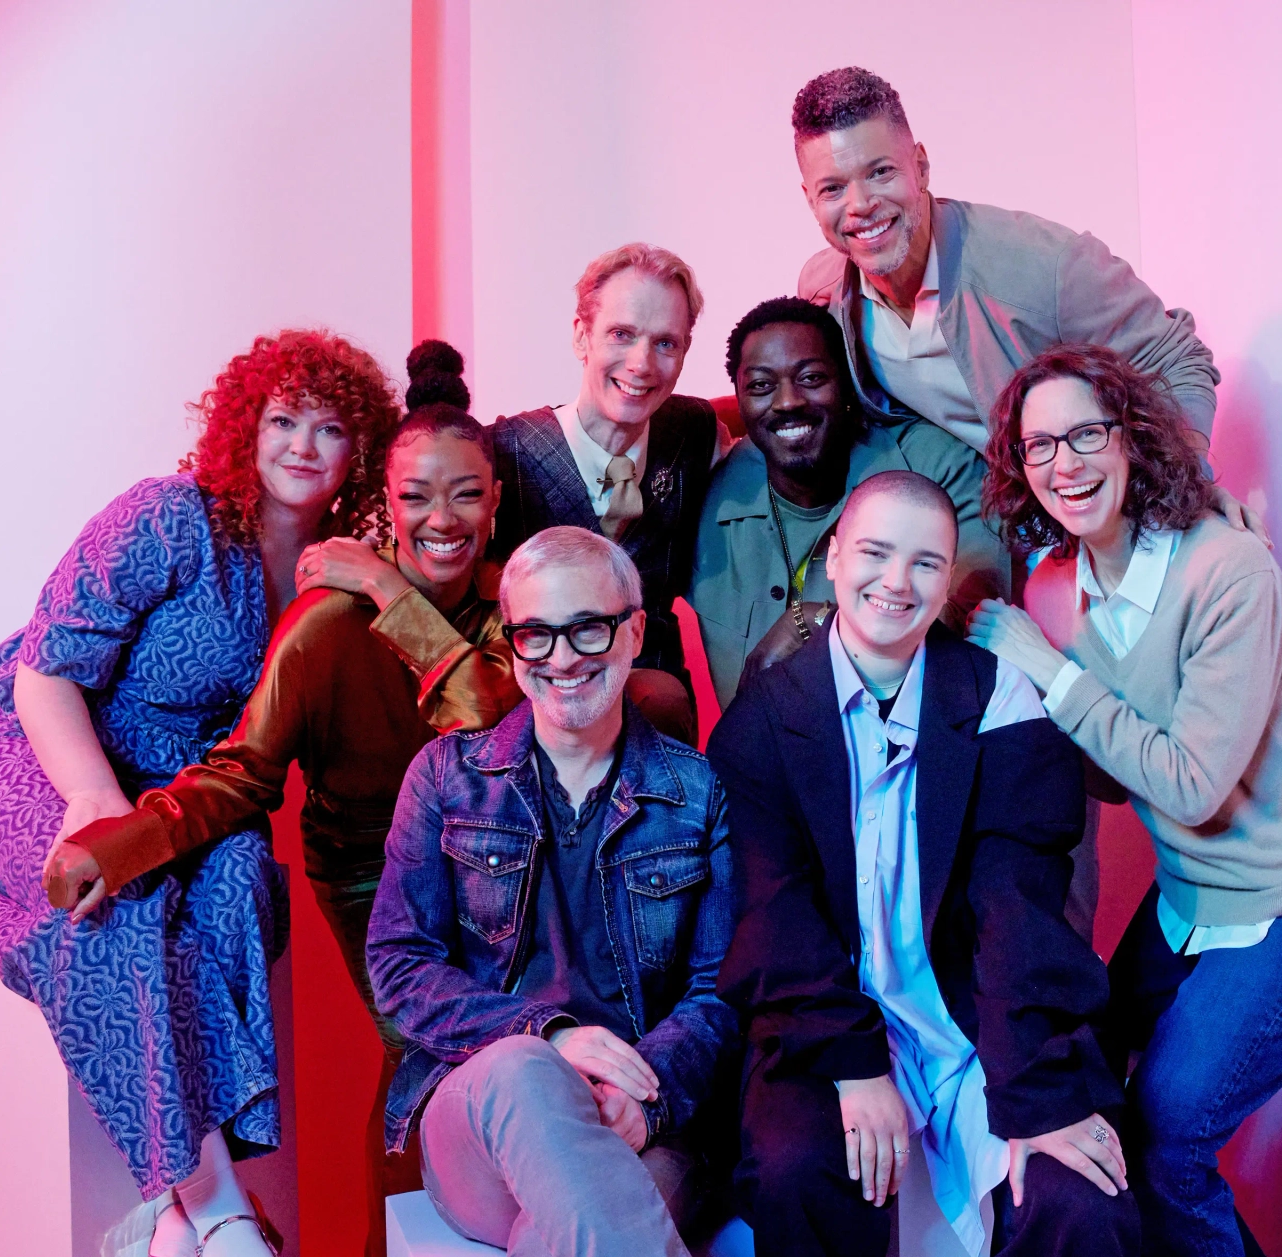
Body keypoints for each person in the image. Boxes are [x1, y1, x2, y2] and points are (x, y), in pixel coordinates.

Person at [0, 330, 402, 1257]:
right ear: (244, 427)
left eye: (331, 427)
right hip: (37, 759)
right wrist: (92, 799)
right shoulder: (168, 517)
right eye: (282, 420)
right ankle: (218, 1203)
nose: (303, 445)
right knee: (124, 892)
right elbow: (44, 674)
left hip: (184, 801)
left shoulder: (334, 577)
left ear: (362, 450)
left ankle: (173, 1223)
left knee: (238, 877)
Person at [58, 341, 517, 1257]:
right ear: (385, 502)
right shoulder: (323, 626)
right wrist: (116, 841)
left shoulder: (514, 600)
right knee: (431, 1050)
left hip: (513, 870)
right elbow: (242, 772)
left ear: (497, 501)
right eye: (416, 495)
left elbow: (491, 722)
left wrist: (390, 586)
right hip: (378, 879)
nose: (442, 516)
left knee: (522, 1058)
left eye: (466, 492)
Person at [965, 345, 1282, 1256]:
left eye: (1087, 433)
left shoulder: (1226, 570)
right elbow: (1114, 772)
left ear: (1131, 440)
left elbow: (1193, 788)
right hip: (1198, 887)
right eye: (1040, 445)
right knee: (1090, 1067)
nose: (1065, 463)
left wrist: (1049, 673)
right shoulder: (1064, 584)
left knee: (1170, 1139)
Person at [712, 471, 1140, 1257]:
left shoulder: (999, 699)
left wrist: (1032, 1094)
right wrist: (852, 1062)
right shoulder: (762, 719)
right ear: (833, 558)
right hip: (829, 1018)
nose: (896, 582)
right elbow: (774, 912)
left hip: (971, 1025)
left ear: (949, 581)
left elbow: (1016, 907)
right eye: (875, 552)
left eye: (926, 563)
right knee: (797, 1169)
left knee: (1082, 1200)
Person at [368, 526, 737, 1256]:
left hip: (640, 1119)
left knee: (579, 1230)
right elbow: (400, 964)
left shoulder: (698, 793)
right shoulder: (445, 776)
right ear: (512, 646)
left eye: (588, 629)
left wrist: (647, 1089)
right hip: (480, 1123)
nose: (562, 658)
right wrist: (552, 1035)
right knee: (523, 1065)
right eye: (537, 635)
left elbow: (720, 988)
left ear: (633, 632)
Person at [788, 66, 1265, 543]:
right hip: (983, 527)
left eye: (880, 172)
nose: (860, 204)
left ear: (921, 167)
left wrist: (1185, 485)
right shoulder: (825, 290)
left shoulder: (1046, 265)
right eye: (833, 188)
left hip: (1096, 514)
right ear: (810, 200)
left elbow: (1178, 360)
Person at [689, 296, 1008, 710]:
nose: (787, 402)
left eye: (811, 378)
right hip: (751, 766)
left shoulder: (936, 467)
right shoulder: (712, 489)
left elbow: (963, 616)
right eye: (761, 386)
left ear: (848, 386)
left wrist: (817, 620)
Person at [488, 243, 720, 740]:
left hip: (659, 709)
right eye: (621, 334)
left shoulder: (693, 431)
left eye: (666, 343)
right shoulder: (507, 451)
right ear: (581, 336)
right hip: (543, 700)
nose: (642, 364)